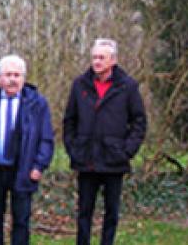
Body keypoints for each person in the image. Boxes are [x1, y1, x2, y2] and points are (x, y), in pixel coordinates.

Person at [63, 38, 147, 245]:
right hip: (87, 159)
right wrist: (74, 148)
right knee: (84, 212)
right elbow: (69, 121)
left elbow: (139, 121)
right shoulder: (79, 85)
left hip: (114, 160)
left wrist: (127, 151)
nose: (97, 61)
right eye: (94, 57)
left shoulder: (127, 86)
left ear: (113, 60)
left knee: (112, 213)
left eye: (102, 58)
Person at [0, 54, 55, 245]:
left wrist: (39, 166)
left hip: (23, 169)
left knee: (21, 221)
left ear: (24, 78)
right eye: (8, 75)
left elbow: (46, 138)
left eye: (17, 75)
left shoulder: (37, 104)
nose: (12, 79)